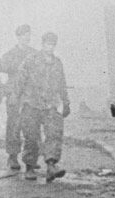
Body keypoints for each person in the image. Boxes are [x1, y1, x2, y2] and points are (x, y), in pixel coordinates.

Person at [7, 32, 71, 181]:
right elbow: (20, 80)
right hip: (32, 104)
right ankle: (30, 167)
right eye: (48, 44)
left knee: (54, 134)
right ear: (42, 44)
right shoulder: (31, 60)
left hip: (50, 104)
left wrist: (66, 102)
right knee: (31, 137)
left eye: (53, 44)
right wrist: (15, 98)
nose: (50, 47)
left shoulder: (57, 63)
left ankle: (51, 165)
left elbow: (62, 84)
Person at [0, 25, 38, 172]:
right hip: (15, 95)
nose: (27, 38)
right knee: (14, 124)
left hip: (31, 95)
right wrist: (2, 90)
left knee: (32, 126)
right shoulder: (10, 55)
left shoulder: (35, 54)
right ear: (18, 37)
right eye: (24, 35)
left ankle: (31, 158)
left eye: (29, 35)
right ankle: (12, 156)